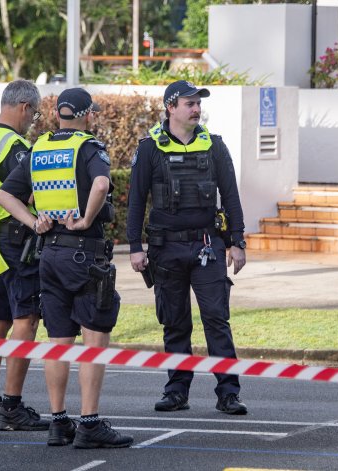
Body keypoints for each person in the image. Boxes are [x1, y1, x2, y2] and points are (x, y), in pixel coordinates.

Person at [0, 87, 133, 449]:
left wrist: (34, 220)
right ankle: (89, 424)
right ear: (87, 115)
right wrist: (86, 218)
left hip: (49, 255)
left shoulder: (38, 148)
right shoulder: (89, 147)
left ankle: (59, 422)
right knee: (93, 338)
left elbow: (4, 194)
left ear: (58, 115)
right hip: (83, 254)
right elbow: (102, 182)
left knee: (58, 341)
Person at [127, 80, 248, 415]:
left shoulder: (215, 146)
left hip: (207, 245)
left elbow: (231, 196)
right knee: (175, 322)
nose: (196, 109)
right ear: (171, 107)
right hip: (165, 250)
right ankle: (177, 391)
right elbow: (136, 201)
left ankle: (228, 393)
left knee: (216, 319)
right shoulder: (150, 147)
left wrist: (237, 241)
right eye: (189, 103)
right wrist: (135, 246)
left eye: (198, 103)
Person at [0, 80, 50, 431]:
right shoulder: (17, 147)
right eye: (35, 112)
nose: (34, 120)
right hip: (16, 241)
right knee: (26, 320)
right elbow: (27, 193)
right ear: (23, 107)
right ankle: (12, 407)